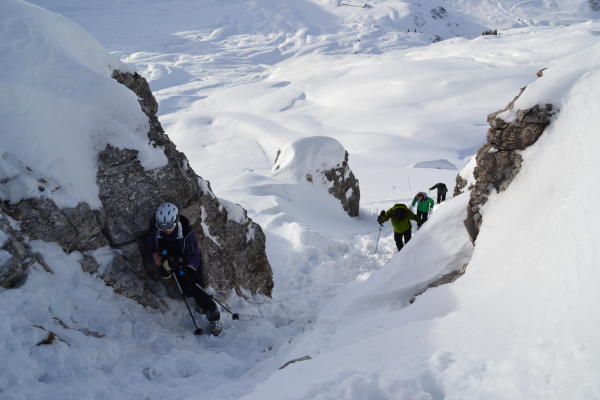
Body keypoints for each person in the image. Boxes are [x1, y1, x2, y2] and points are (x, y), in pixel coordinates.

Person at [143, 202, 222, 336]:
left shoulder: (186, 233)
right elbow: (148, 248)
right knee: (187, 290)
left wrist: (183, 263)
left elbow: (195, 255)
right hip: (170, 263)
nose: (166, 229)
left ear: (175, 221)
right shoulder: (155, 233)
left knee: (198, 289)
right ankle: (197, 300)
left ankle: (213, 314)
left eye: (169, 225)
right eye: (162, 225)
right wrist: (153, 255)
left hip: (190, 263)